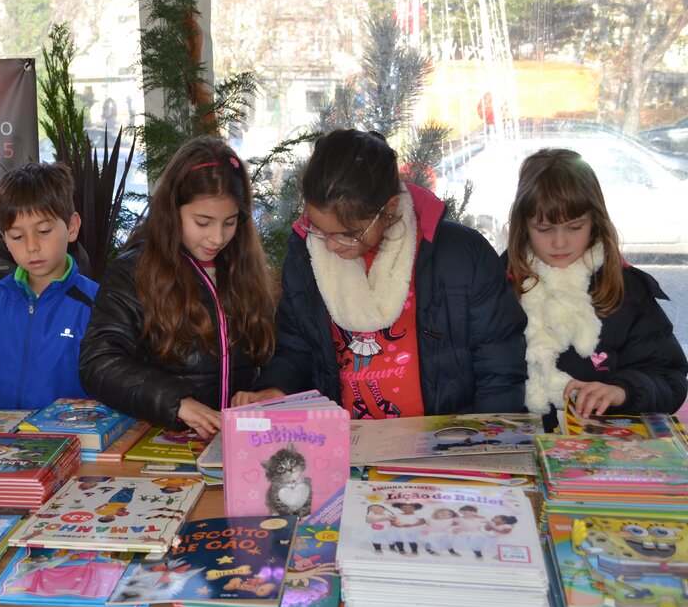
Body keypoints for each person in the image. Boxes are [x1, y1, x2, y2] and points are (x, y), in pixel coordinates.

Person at [234, 129, 527, 417]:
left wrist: (484, 440)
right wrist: (275, 389)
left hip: (444, 448)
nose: (332, 245)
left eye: (349, 233)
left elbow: (499, 363)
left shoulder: (461, 255)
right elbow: (296, 348)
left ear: (389, 209)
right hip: (346, 446)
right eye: (319, 230)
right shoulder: (306, 258)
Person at [79, 136, 275, 438]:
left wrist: (265, 390)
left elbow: (268, 353)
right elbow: (99, 363)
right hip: (164, 441)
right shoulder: (134, 272)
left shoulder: (242, 267)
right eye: (203, 222)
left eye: (230, 222)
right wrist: (176, 403)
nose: (217, 238)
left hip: (240, 443)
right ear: (173, 210)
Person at [504, 148, 687, 420]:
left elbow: (669, 378)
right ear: (523, 226)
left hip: (599, 450)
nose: (560, 243)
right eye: (544, 229)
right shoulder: (495, 286)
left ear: (595, 223)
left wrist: (622, 390)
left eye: (575, 227)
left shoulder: (626, 291)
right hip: (514, 444)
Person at [0, 162, 97, 410]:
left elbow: (111, 382)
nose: (31, 246)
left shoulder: (95, 302)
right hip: (3, 442)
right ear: (5, 239)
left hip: (73, 439)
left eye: (43, 231)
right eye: (17, 236)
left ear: (72, 227)